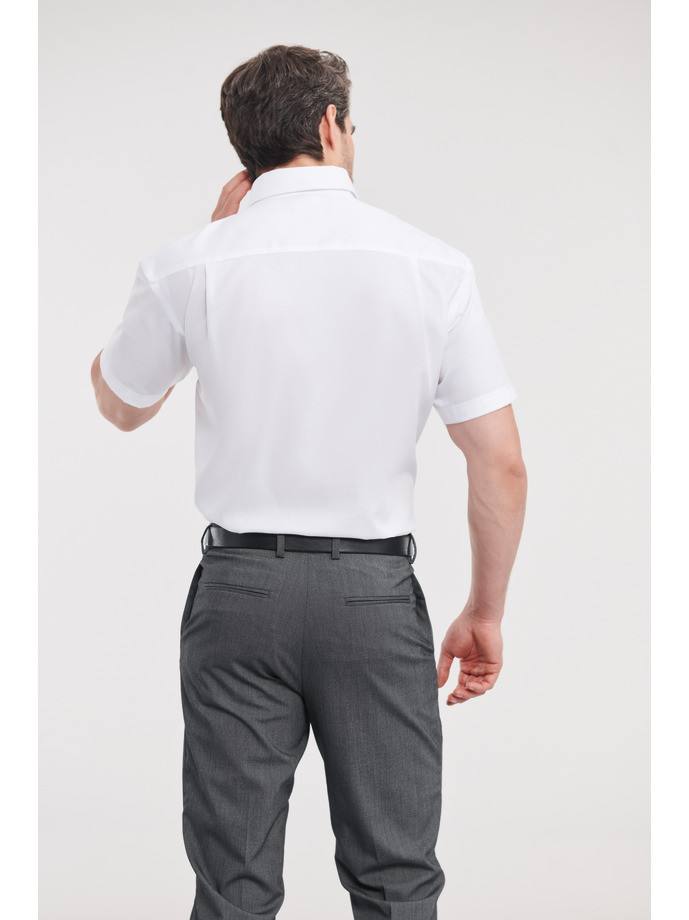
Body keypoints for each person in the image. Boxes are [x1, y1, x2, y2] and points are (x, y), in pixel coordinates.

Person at [90, 43, 527, 920]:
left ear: (243, 145)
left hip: (238, 593)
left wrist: (206, 246)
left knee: (233, 883)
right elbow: (500, 462)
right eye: (351, 124)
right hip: (371, 596)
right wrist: (483, 612)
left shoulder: (189, 262)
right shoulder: (431, 265)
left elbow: (120, 403)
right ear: (330, 126)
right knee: (396, 874)